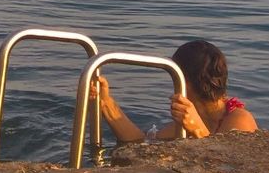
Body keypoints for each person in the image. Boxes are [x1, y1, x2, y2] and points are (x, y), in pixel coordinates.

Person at [94, 39, 257, 142]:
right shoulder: (191, 117)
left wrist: (196, 128)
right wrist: (106, 103)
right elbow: (140, 142)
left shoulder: (239, 120)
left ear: (183, 81)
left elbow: (227, 170)